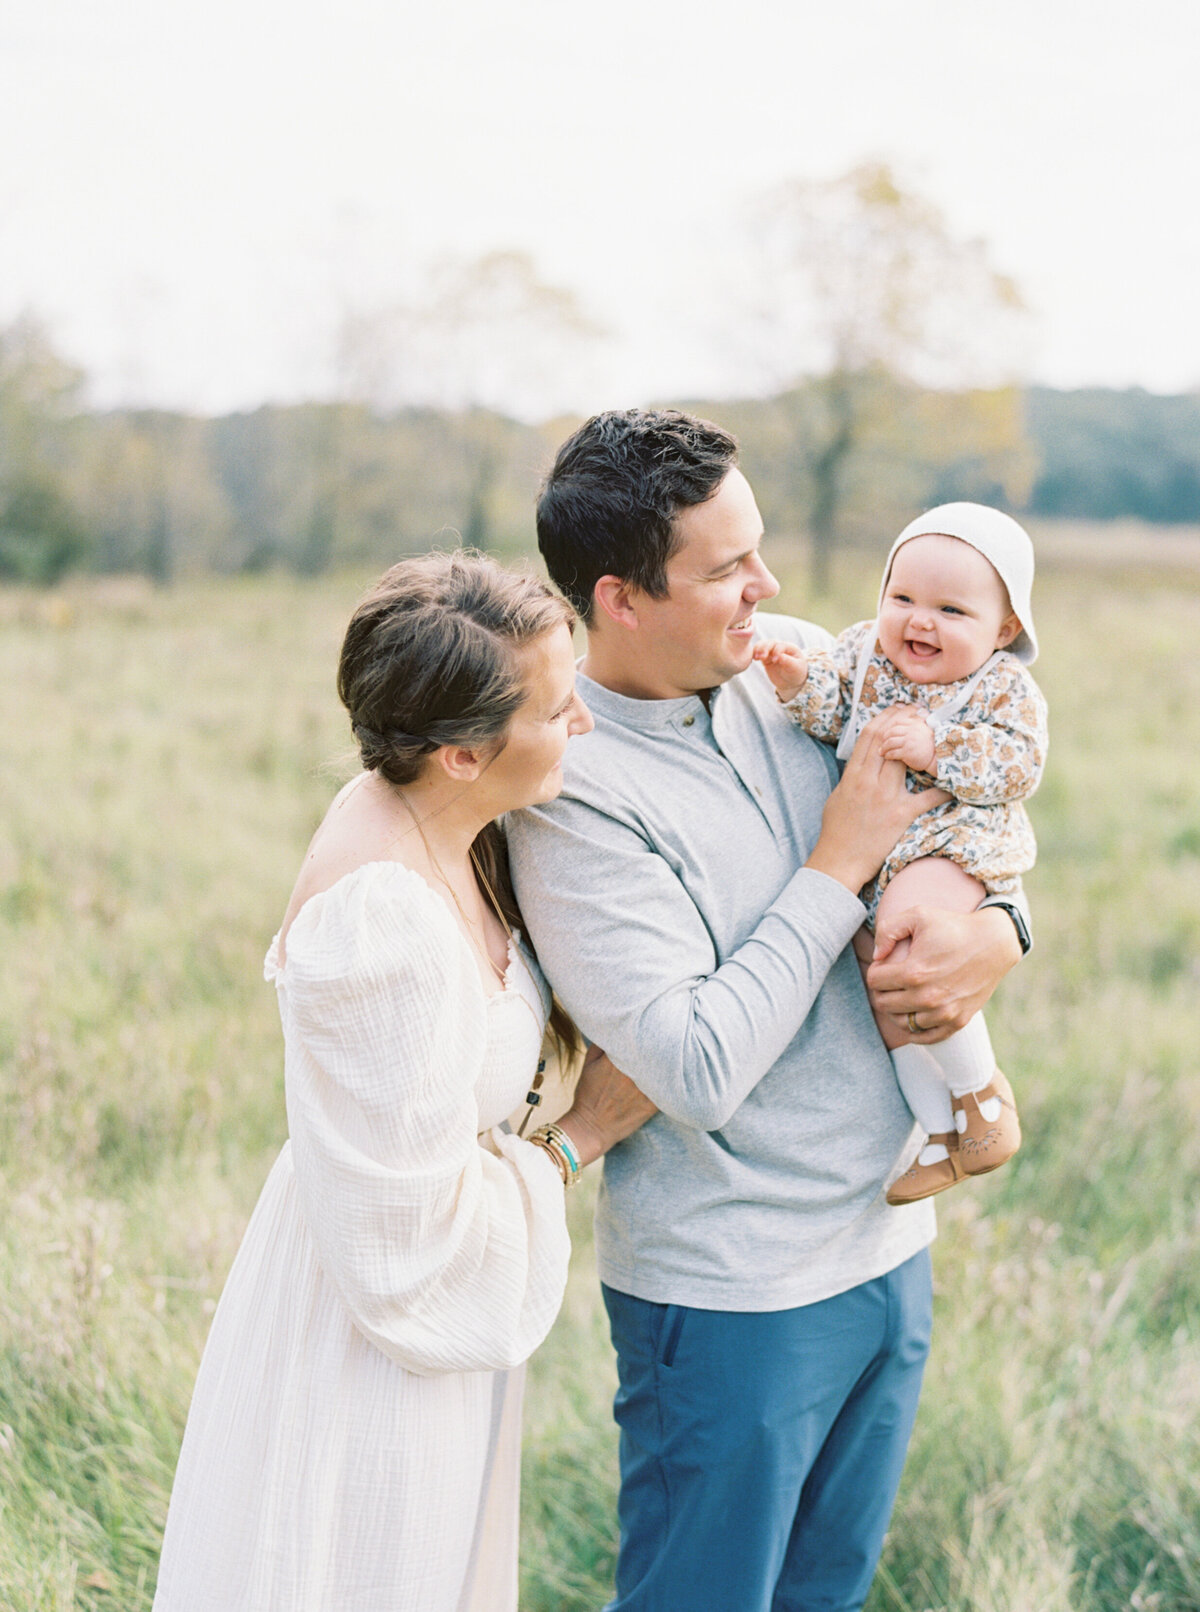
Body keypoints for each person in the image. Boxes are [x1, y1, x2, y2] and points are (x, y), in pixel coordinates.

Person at [505, 410, 1029, 1612]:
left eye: (761, 549)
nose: (769, 586)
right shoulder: (576, 794)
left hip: (891, 1247)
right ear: (620, 599)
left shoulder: (799, 671)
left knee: (826, 1598)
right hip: (734, 1293)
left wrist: (999, 935)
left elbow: (972, 819)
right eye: (726, 569)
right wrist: (837, 865)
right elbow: (692, 1066)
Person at [152, 551, 655, 1612]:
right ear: (463, 751)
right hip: (368, 1342)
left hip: (418, 1317)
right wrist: (577, 1139)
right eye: (558, 710)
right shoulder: (383, 920)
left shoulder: (451, 821)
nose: (585, 727)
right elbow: (401, 1240)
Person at [755, 502, 1047, 1203]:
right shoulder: (862, 654)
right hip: (878, 862)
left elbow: (1020, 766)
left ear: (1004, 629)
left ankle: (982, 1100)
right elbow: (833, 716)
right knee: (889, 996)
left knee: (910, 950)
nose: (920, 620)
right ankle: (940, 1131)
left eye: (951, 609)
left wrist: (939, 748)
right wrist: (799, 684)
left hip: (950, 844)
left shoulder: (1000, 685)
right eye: (903, 597)